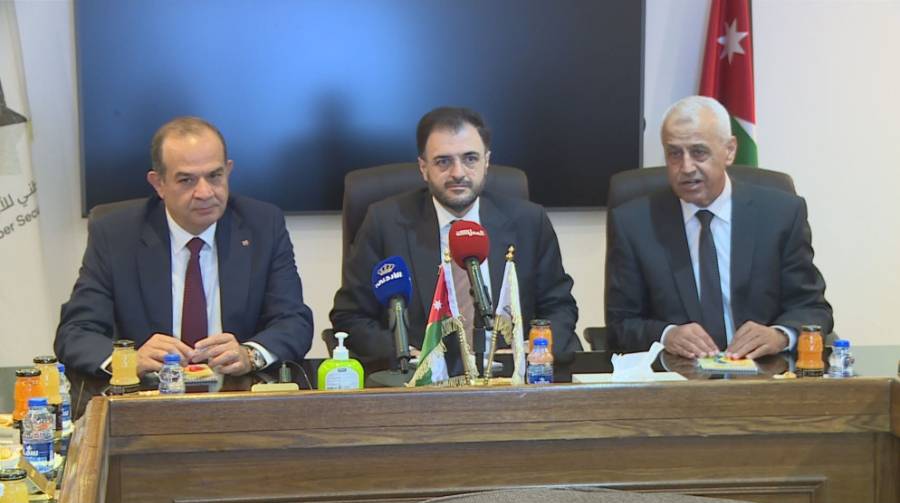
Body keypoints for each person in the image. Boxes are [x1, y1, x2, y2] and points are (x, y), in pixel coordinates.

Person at [330, 106, 580, 376]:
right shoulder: (385, 223)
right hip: (420, 381)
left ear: (486, 161)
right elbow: (350, 316)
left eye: (470, 158)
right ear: (423, 168)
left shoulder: (529, 221)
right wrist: (400, 353)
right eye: (443, 162)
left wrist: (538, 346)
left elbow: (559, 306)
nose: (458, 173)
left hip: (510, 378)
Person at [55, 117, 314, 377]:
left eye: (214, 176)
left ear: (228, 171)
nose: (205, 193)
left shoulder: (263, 225)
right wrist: (128, 361)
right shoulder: (116, 234)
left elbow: (293, 321)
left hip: (237, 389)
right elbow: (75, 332)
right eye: (187, 180)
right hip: (151, 392)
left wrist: (250, 355)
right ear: (159, 184)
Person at [606, 96, 833, 360]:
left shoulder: (780, 214)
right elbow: (620, 324)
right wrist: (667, 335)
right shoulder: (635, 223)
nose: (686, 167)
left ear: (729, 150)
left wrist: (780, 335)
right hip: (678, 375)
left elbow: (812, 308)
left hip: (761, 373)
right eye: (674, 154)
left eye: (699, 152)